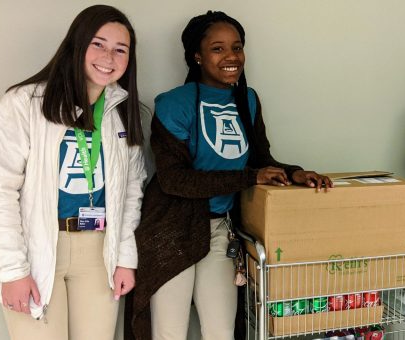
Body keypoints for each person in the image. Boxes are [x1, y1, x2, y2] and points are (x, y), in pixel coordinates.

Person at [127, 11, 332, 340]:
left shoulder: (247, 100)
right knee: (169, 333)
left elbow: (261, 160)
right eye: (218, 49)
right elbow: (175, 180)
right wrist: (250, 177)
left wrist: (295, 174)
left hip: (220, 228)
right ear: (197, 55)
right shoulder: (173, 104)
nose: (231, 57)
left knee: (222, 331)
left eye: (237, 47)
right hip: (171, 229)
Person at [0, 5, 145, 340]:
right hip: (38, 251)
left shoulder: (122, 113)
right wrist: (12, 271)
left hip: (99, 252)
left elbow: (131, 192)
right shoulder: (24, 103)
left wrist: (125, 257)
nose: (109, 56)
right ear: (77, 45)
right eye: (99, 44)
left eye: (120, 49)